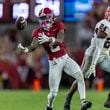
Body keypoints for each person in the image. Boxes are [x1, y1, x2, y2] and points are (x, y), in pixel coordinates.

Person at [17, 7, 92, 110]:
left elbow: (60, 40)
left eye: (44, 17)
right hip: (54, 63)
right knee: (53, 93)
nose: (43, 20)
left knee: (79, 75)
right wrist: (25, 50)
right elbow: (33, 46)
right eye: (41, 18)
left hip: (65, 58)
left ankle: (83, 102)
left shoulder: (58, 25)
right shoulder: (38, 32)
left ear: (51, 17)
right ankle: (49, 105)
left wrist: (49, 39)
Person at [64, 6, 110, 110]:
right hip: (92, 54)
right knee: (82, 77)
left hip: (105, 55)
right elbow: (98, 48)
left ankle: (109, 100)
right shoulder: (104, 25)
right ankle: (68, 97)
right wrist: (93, 65)